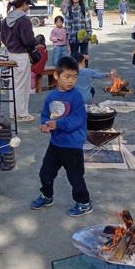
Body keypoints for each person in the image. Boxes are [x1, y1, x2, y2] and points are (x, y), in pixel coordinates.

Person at [31, 55, 91, 217]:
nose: (71, 81)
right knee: (45, 172)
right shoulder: (51, 96)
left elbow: (78, 120)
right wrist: (45, 125)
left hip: (73, 145)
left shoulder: (76, 96)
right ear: (57, 76)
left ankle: (84, 202)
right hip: (56, 143)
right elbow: (46, 115)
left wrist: (59, 124)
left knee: (75, 176)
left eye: (74, 77)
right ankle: (46, 195)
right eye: (67, 77)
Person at [1, 0, 36, 122]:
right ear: (24, 3)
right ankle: (21, 114)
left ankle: (14, 112)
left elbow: (2, 38)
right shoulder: (24, 20)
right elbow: (28, 41)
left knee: (14, 84)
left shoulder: (6, 19)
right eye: (28, 4)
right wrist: (38, 40)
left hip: (10, 54)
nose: (28, 7)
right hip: (21, 54)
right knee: (23, 85)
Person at [65, 0, 92, 66]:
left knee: (84, 56)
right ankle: (74, 74)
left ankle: (85, 73)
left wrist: (89, 33)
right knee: (73, 57)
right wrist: (69, 36)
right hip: (73, 37)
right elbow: (67, 23)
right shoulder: (69, 9)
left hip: (84, 37)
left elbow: (88, 21)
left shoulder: (84, 8)